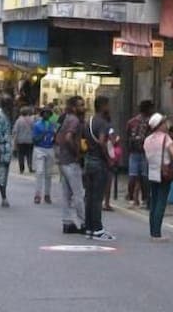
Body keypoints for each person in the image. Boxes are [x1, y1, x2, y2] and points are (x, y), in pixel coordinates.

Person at [83, 95, 116, 240]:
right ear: (103, 106)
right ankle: (98, 229)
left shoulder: (89, 121)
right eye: (108, 105)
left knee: (89, 196)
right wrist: (108, 159)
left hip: (88, 160)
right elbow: (103, 141)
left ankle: (89, 227)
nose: (109, 108)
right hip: (99, 163)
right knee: (97, 197)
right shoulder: (103, 123)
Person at [143, 113, 173, 242]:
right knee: (161, 203)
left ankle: (153, 231)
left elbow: (147, 157)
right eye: (164, 123)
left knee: (153, 202)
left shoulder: (147, 140)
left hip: (152, 173)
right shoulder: (166, 138)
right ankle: (157, 234)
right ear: (160, 125)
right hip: (164, 174)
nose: (166, 125)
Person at [57, 94, 86, 234]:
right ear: (74, 107)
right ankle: (83, 222)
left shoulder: (66, 118)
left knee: (66, 194)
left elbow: (58, 137)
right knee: (78, 193)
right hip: (71, 161)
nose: (84, 107)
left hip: (63, 160)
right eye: (81, 105)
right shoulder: (75, 120)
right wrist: (76, 152)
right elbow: (69, 137)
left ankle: (67, 222)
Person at [126, 99, 152, 207]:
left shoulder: (131, 122)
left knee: (133, 176)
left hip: (134, 152)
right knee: (144, 177)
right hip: (144, 152)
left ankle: (132, 198)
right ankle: (144, 199)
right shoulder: (150, 122)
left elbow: (127, 136)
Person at [31, 104, 56, 204]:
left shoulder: (52, 125)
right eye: (45, 113)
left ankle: (47, 194)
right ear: (42, 114)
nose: (47, 115)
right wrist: (43, 134)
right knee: (39, 172)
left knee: (48, 174)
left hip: (50, 148)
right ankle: (37, 194)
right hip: (39, 149)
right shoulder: (37, 125)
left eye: (48, 113)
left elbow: (55, 137)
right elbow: (34, 139)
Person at [12, 105, 34, 174]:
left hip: (20, 140)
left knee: (20, 155)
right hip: (30, 140)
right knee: (29, 154)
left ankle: (21, 168)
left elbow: (15, 131)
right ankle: (30, 166)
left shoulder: (18, 121)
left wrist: (14, 142)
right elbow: (34, 129)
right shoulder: (32, 120)